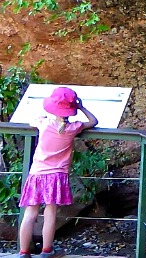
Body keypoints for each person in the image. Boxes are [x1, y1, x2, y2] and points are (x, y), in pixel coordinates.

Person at [18, 87, 98, 258]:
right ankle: (47, 251)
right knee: (50, 213)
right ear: (71, 109)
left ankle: (23, 252)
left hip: (37, 174)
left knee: (30, 213)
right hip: (57, 176)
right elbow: (94, 121)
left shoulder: (43, 123)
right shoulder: (74, 128)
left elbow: (32, 120)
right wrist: (81, 107)